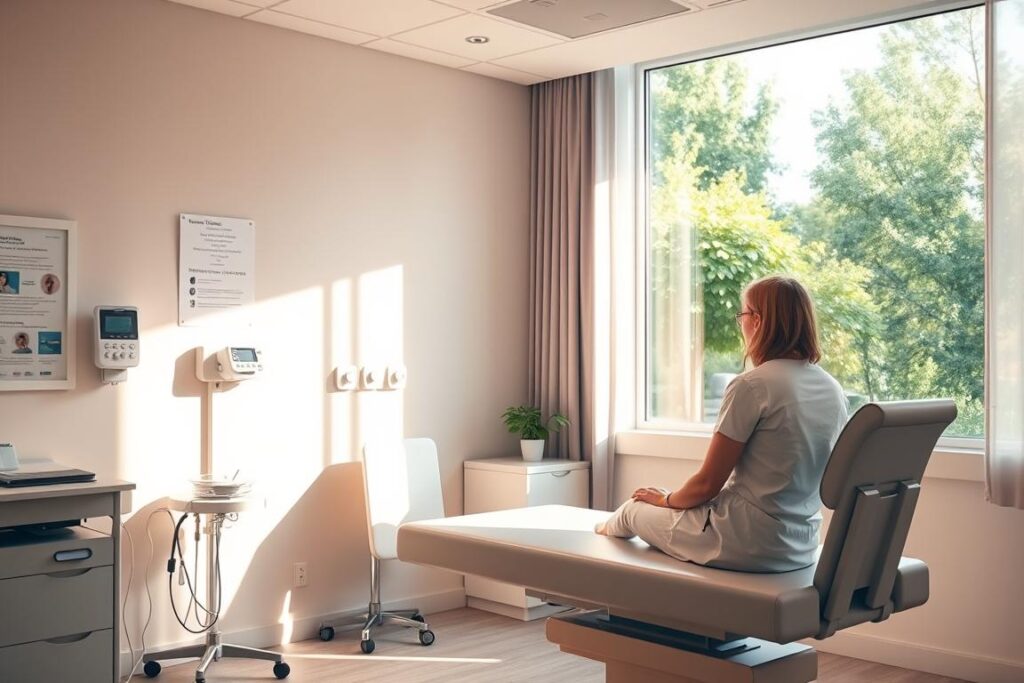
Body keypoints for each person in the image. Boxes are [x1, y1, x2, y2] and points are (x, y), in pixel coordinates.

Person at [596, 276, 849, 572]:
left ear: (757, 320)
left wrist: (665, 500)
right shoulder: (832, 389)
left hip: (744, 541)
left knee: (632, 510)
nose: (741, 324)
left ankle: (592, 542)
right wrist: (673, 500)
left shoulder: (752, 386)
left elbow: (707, 484)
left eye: (742, 315)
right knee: (668, 503)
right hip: (799, 545)